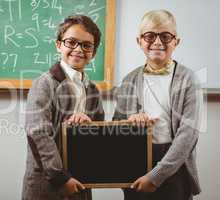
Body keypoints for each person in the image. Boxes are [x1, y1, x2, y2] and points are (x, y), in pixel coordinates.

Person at [113, 10, 203, 200]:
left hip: (174, 165)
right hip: (135, 165)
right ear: (139, 41)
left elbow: (188, 134)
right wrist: (130, 121)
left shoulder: (189, 79)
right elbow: (116, 126)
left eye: (165, 36)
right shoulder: (128, 80)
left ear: (176, 41)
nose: (157, 42)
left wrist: (156, 176)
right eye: (150, 36)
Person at [22, 15, 104, 200]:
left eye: (86, 45)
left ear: (94, 52)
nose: (78, 49)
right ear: (59, 45)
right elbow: (38, 133)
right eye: (71, 42)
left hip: (81, 183)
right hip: (48, 184)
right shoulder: (44, 84)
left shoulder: (92, 90)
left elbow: (100, 136)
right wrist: (61, 178)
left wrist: (89, 125)